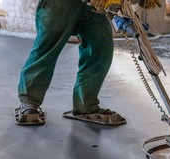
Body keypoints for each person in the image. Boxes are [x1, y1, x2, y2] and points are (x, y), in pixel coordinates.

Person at [15, 0, 160, 126]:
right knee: (47, 49)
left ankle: (85, 106)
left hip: (94, 6)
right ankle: (29, 101)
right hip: (60, 4)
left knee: (101, 48)